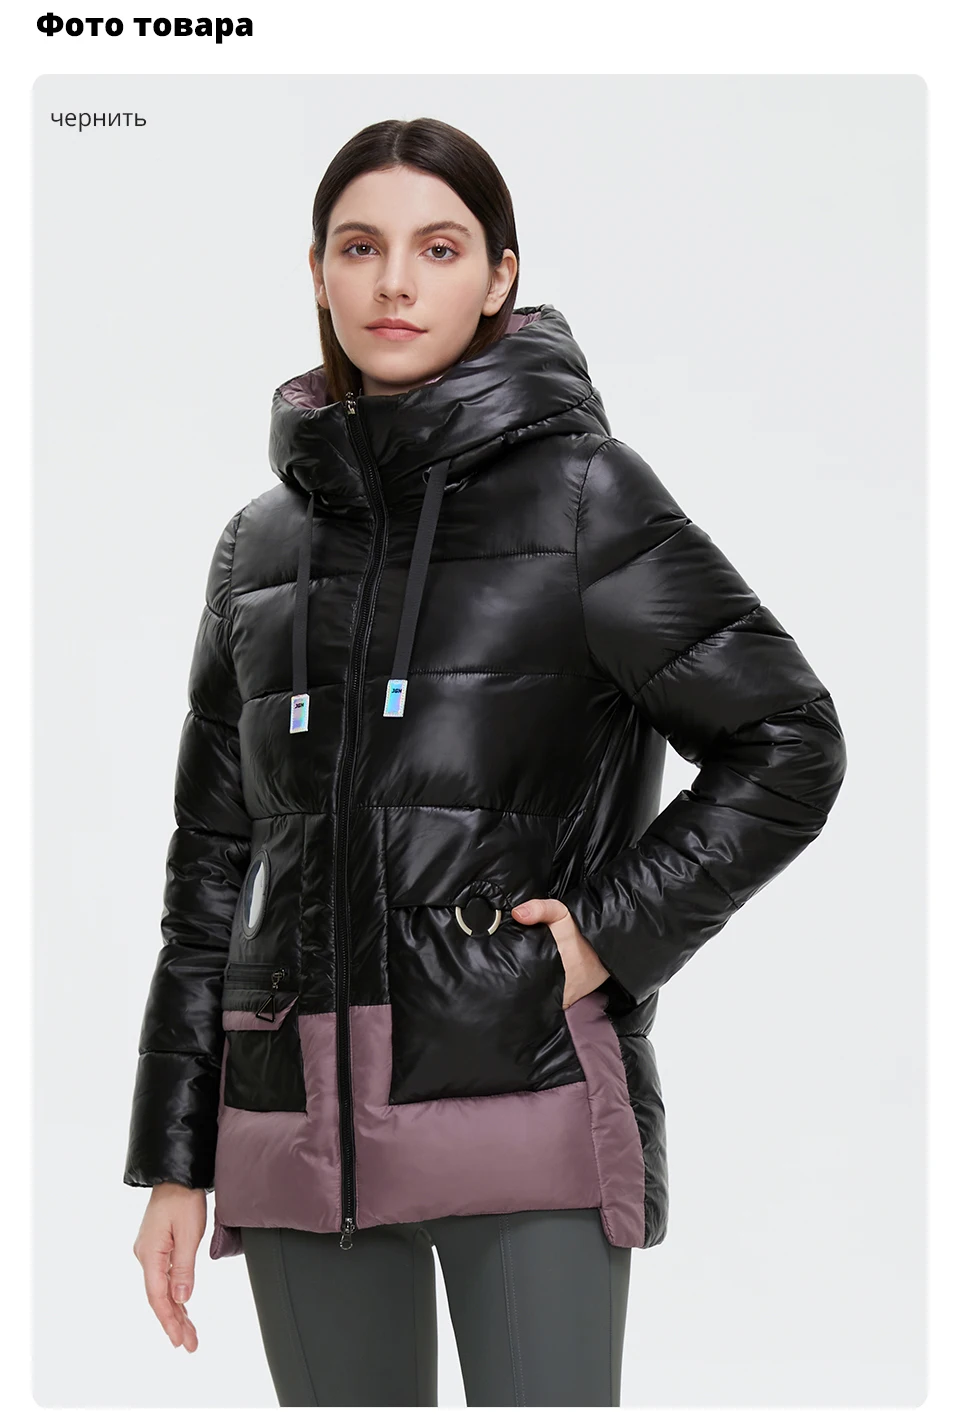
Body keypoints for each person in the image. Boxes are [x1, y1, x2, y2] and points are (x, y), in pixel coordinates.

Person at [125, 116, 847, 1406]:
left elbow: (787, 740)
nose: (395, 282)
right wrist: (176, 1159)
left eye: (440, 248)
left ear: (500, 276)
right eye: (361, 247)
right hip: (290, 1127)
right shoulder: (258, 548)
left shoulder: (583, 498)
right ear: (318, 274)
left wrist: (606, 935)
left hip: (526, 1100)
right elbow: (213, 866)